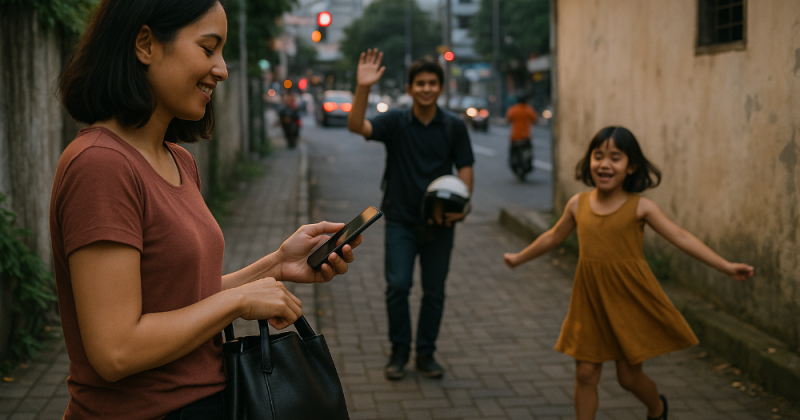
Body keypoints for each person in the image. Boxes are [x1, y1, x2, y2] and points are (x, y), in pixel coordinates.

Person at [51, 1, 359, 419]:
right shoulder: (101, 165)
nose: (222, 69)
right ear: (145, 44)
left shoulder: (178, 160)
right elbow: (115, 350)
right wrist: (239, 302)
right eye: (208, 48)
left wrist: (277, 265)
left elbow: (183, 299)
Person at [502, 126, 754, 420]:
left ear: (631, 166)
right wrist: (519, 258)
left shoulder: (641, 207)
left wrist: (725, 266)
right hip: (590, 300)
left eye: (615, 157)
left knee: (629, 378)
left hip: (628, 300)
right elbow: (552, 237)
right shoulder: (578, 204)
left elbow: (681, 237)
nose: (605, 164)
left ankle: (657, 408)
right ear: (589, 161)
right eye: (598, 156)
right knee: (585, 374)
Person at [347, 50, 475, 380]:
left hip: (439, 223)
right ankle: (400, 351)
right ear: (410, 87)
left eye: (433, 83)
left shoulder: (453, 126)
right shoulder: (396, 122)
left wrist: (461, 209)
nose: (426, 88)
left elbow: (465, 169)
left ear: (441, 88)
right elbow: (356, 125)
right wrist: (363, 87)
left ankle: (427, 354)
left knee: (434, 291)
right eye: (420, 83)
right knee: (398, 286)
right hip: (401, 220)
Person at [505, 95, 538, 180]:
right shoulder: (529, 109)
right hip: (526, 137)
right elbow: (535, 120)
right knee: (528, 154)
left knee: (513, 155)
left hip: (515, 137)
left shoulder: (513, 109)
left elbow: (508, 120)